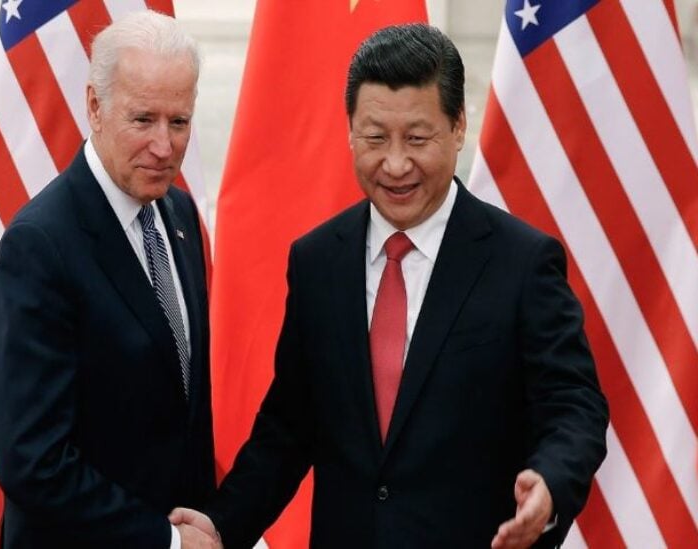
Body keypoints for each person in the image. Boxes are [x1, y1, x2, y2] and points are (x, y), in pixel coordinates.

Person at [170, 23, 608, 548]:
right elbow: (288, 428)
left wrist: (551, 485)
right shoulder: (317, 261)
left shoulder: (522, 261)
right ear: (351, 131)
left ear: (458, 126)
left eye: (418, 139)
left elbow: (574, 406)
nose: (396, 164)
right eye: (376, 138)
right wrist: (222, 524)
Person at [0, 11, 218, 549]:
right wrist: (168, 541)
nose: (164, 146)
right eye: (143, 120)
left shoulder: (179, 214)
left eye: (179, 122)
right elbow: (32, 462)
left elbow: (181, 409)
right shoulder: (40, 246)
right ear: (95, 106)